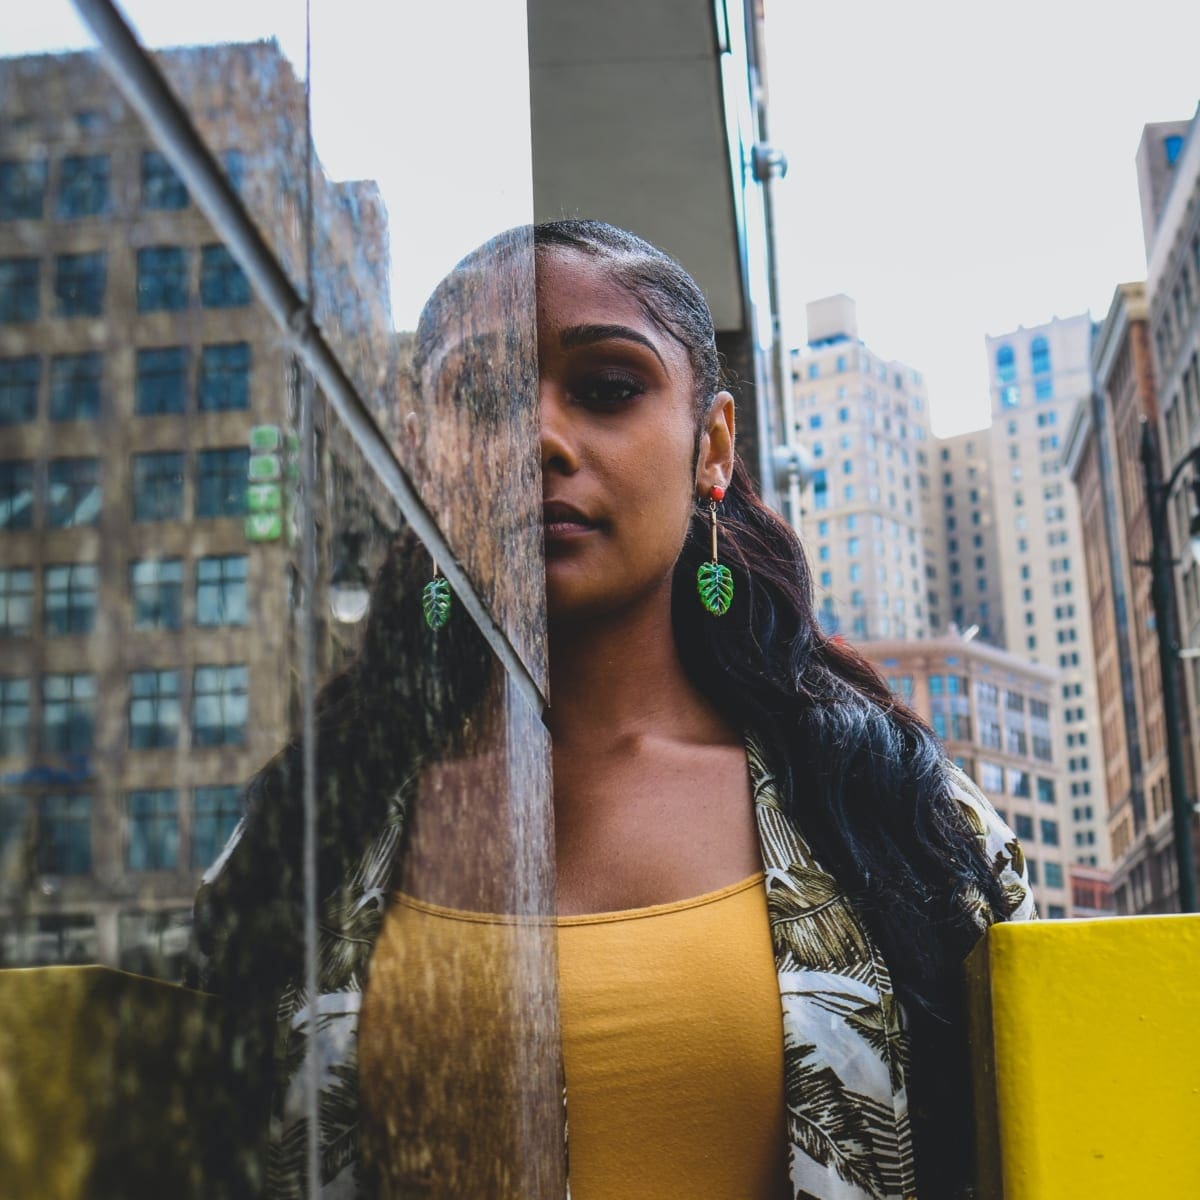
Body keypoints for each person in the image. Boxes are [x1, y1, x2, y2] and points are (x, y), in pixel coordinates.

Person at [192, 220, 1034, 1200]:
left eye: (607, 389)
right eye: (482, 397)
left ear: (710, 444)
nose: (541, 438)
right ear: (424, 460)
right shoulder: (305, 831)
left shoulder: (896, 813)